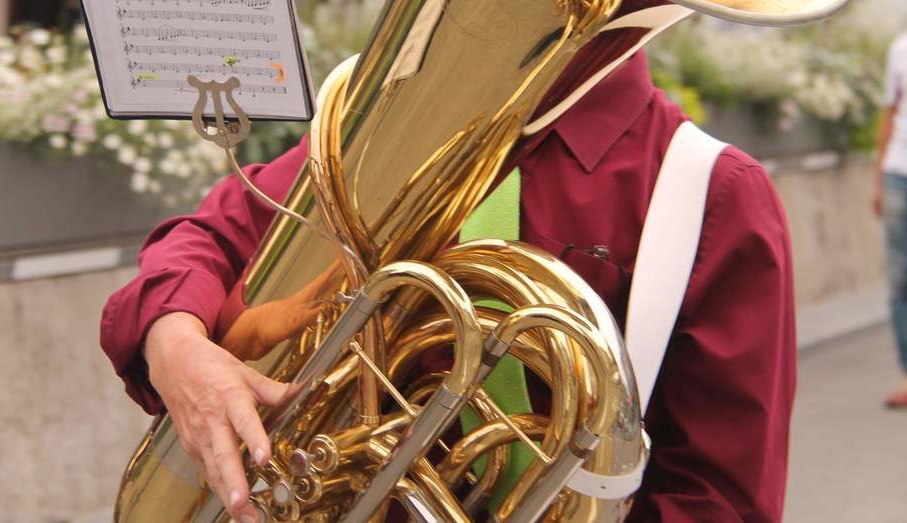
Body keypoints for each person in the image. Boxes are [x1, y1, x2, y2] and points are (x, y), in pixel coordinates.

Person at [101, 50, 796, 522]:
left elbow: (720, 499)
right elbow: (211, 236)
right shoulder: (395, 132)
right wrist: (173, 340)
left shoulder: (712, 194)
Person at [871, 29, 907, 410]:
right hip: (900, 175)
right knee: (901, 280)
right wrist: (879, 177)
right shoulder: (899, 48)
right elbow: (890, 114)